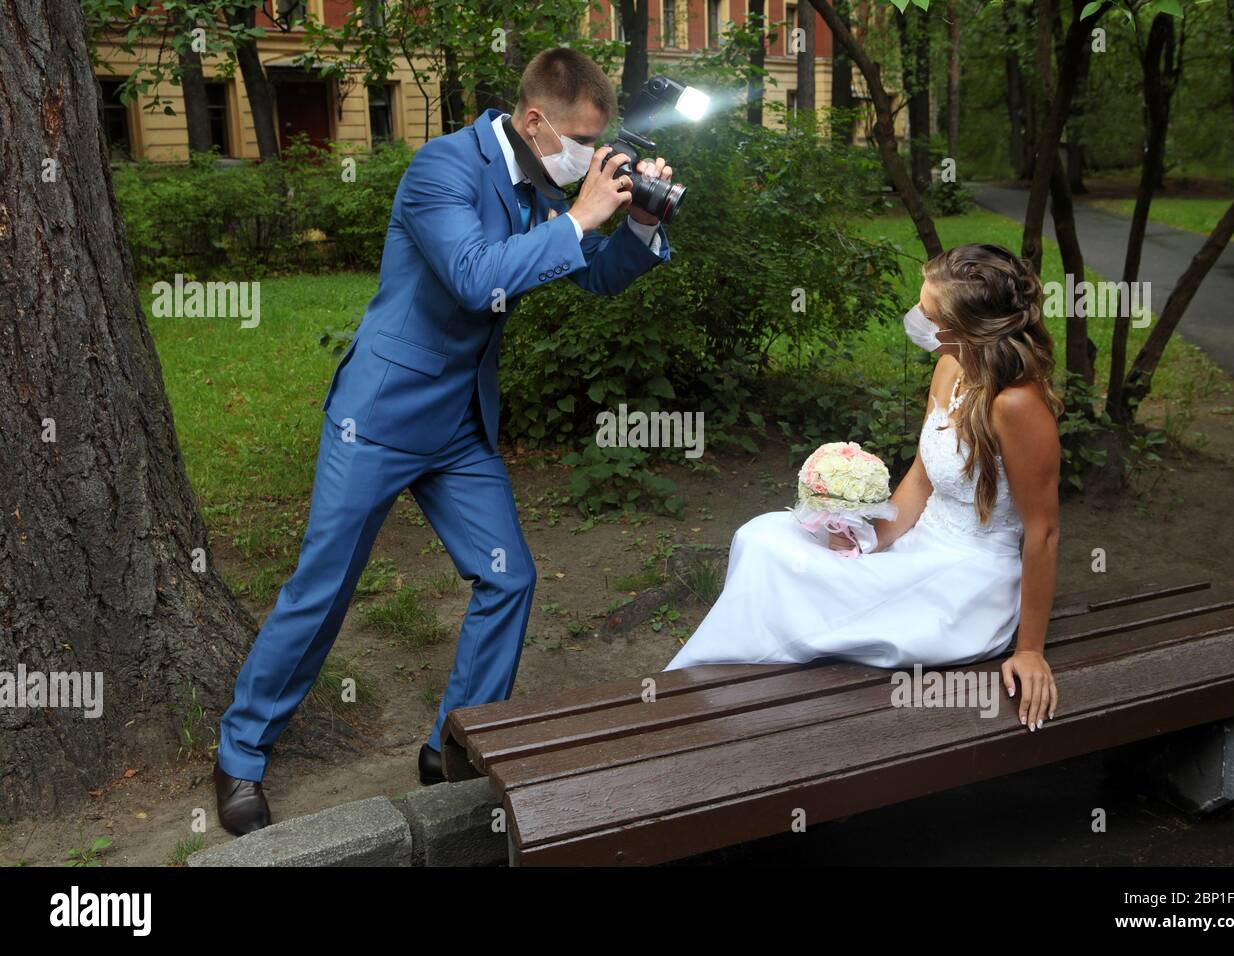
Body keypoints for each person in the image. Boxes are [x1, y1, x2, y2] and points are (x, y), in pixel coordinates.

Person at [214, 48, 673, 835]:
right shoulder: (442, 169)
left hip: (461, 424)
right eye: (577, 140)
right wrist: (579, 216)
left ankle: (451, 748)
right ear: (534, 122)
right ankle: (240, 753)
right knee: (322, 588)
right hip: (382, 417)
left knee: (511, 578)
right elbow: (473, 275)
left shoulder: (540, 184)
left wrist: (634, 220)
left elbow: (592, 274)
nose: (584, 158)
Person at [665, 243, 1061, 732]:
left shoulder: (1018, 405)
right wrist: (872, 538)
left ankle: (728, 710)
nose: (916, 317)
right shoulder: (950, 368)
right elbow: (921, 476)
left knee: (820, 595)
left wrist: (1030, 650)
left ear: (965, 329)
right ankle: (716, 691)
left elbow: (1043, 532)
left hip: (966, 581)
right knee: (762, 538)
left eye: (928, 312)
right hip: (919, 540)